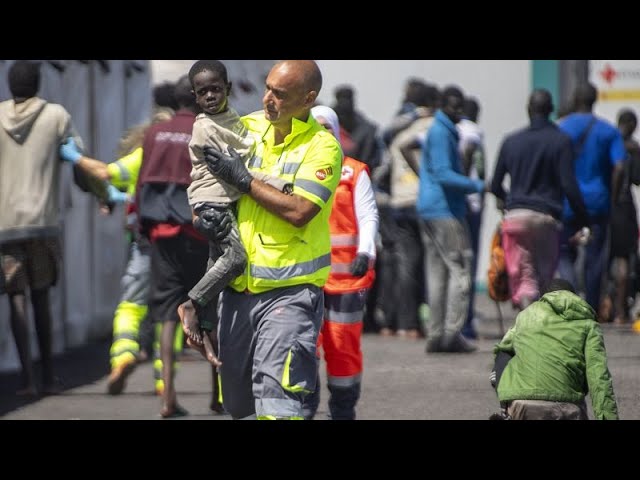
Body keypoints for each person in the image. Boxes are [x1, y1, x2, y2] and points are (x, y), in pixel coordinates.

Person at [199, 60, 342, 420]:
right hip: (236, 294)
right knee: (239, 406)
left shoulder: (322, 148)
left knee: (278, 403)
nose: (268, 99)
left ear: (308, 99)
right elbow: (204, 179)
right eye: (267, 88)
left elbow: (299, 211)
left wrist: (245, 180)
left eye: (280, 94)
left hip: (288, 295)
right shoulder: (245, 129)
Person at [177, 60, 291, 363]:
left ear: (227, 89)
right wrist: (278, 183)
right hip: (212, 205)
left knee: (217, 269)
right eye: (203, 93)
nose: (210, 96)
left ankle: (203, 332)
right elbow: (242, 169)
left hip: (220, 203)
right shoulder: (205, 128)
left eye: (215, 89)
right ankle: (191, 304)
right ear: (195, 97)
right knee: (237, 260)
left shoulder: (229, 118)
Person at [0, 60, 97, 396]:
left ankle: (26, 378)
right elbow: (79, 162)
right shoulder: (56, 116)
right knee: (41, 295)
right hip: (43, 222)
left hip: (5, 225)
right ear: (38, 83)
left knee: (16, 298)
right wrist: (98, 192)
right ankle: (47, 376)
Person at [135, 75, 213, 418]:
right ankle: (219, 394)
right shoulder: (204, 130)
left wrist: (141, 228)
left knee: (166, 315)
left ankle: (167, 397)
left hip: (161, 235)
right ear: (197, 100)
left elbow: (142, 181)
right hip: (197, 234)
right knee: (207, 311)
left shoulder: (154, 132)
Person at [302, 105, 378, 420]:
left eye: (327, 127)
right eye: (315, 127)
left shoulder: (354, 172)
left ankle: (343, 408)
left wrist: (366, 251)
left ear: (337, 131)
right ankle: (304, 407)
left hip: (346, 280)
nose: (322, 133)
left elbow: (368, 213)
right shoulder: (298, 169)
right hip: (306, 278)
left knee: (342, 347)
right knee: (303, 347)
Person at [490, 89, 591, 310]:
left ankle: (526, 322)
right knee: (545, 278)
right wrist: (583, 218)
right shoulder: (560, 141)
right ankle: (546, 327)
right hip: (547, 218)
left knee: (525, 278)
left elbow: (495, 184)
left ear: (528, 110)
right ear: (551, 110)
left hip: (516, 218)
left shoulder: (511, 141)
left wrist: (511, 201)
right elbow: (569, 185)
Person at [416, 85, 484, 353]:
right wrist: (477, 186)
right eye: (454, 106)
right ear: (443, 105)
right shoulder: (442, 132)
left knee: (437, 273)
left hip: (430, 208)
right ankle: (452, 332)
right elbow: (444, 174)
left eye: (460, 106)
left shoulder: (438, 130)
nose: (458, 111)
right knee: (460, 270)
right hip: (445, 211)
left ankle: (436, 333)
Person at [491, 278, 619, 420]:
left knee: (505, 353)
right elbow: (599, 378)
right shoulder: (588, 324)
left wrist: (503, 394)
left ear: (544, 298)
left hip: (521, 403)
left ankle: (506, 413)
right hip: (567, 406)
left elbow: (503, 349)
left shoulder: (526, 316)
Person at [557, 82, 625, 313]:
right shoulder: (608, 131)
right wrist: (613, 198)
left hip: (567, 202)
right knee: (595, 260)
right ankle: (591, 309)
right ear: (595, 100)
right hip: (598, 202)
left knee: (565, 254)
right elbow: (619, 167)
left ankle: (570, 300)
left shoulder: (561, 128)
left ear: (575, 99)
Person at [600, 109, 640, 326]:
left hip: (604, 206)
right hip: (624, 208)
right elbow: (637, 179)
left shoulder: (607, 143)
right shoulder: (632, 149)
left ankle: (603, 307)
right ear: (632, 124)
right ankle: (621, 312)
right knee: (624, 260)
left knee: (602, 259)